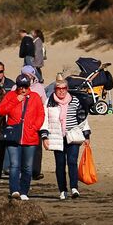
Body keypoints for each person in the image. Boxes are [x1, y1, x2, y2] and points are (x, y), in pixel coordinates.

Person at [42, 72, 90, 200]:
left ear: (67, 89)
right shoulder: (49, 102)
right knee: (60, 164)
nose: (61, 92)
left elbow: (82, 119)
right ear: (55, 89)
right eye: (59, 89)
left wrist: (86, 135)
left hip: (73, 135)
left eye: (64, 89)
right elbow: (44, 119)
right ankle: (62, 190)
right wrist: (44, 136)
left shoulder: (75, 101)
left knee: (72, 162)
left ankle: (74, 188)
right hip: (56, 136)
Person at [0, 73, 45, 200]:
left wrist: (34, 127)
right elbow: (1, 110)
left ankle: (24, 191)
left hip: (30, 137)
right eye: (20, 86)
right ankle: (14, 190)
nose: (23, 89)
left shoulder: (35, 97)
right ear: (17, 86)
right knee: (14, 165)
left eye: (25, 86)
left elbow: (41, 114)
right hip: (14, 135)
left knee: (28, 167)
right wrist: (15, 100)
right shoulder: (11, 95)